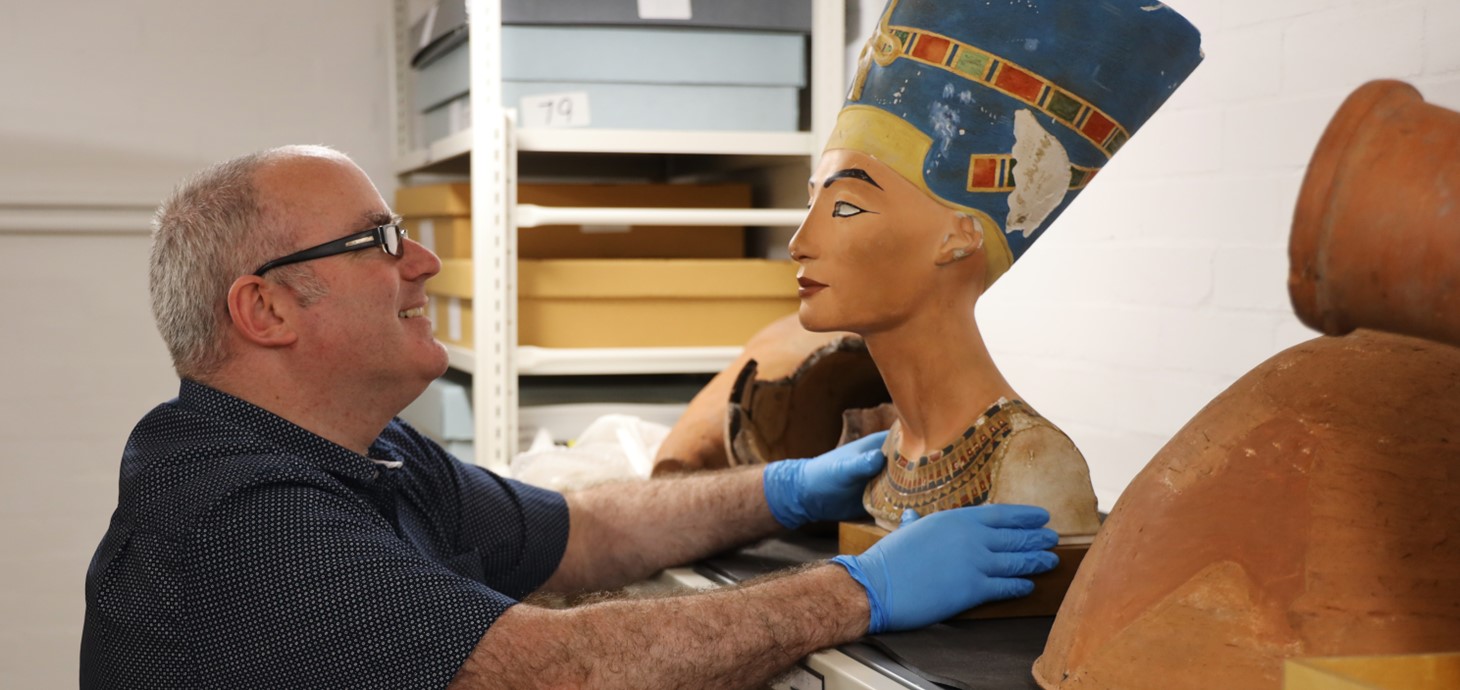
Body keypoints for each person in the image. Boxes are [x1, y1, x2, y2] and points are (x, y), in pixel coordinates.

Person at [81, 144, 1061, 689]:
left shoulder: (362, 454)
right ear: (266, 309)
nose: (422, 263)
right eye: (379, 241)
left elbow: (580, 535)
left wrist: (782, 489)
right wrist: (853, 593)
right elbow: (545, 674)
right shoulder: (236, 516)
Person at [786, 0, 1202, 535]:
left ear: (958, 238)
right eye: (810, 203)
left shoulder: (1030, 465)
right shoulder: (890, 454)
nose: (799, 243)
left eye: (846, 207)